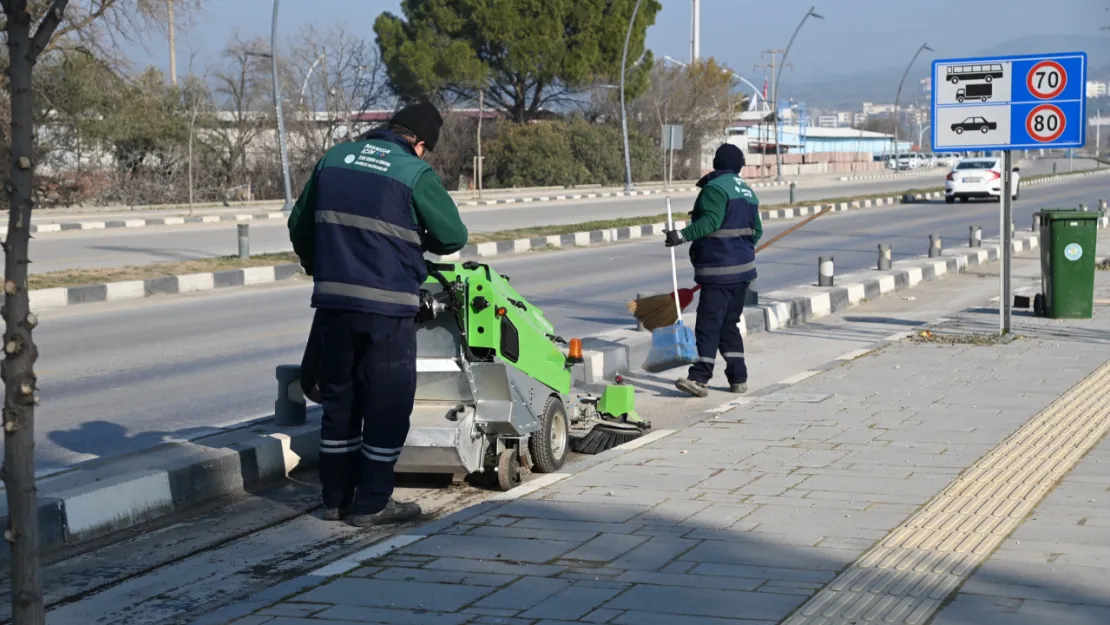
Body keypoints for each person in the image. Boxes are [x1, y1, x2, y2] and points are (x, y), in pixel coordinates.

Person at [288, 101, 468, 526]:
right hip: (387, 310)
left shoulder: (334, 158)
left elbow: (300, 226)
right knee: (386, 405)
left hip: (333, 307)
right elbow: (452, 236)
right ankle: (371, 504)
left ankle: (334, 499)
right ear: (419, 143)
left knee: (340, 402)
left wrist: (321, 265)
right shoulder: (413, 172)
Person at [663, 144, 762, 398]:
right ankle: (738, 378)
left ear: (716, 163)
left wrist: (680, 235)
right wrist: (741, 251)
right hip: (743, 272)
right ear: (739, 166)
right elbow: (757, 231)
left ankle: (700, 378)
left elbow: (710, 222)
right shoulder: (748, 192)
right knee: (729, 324)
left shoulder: (715, 188)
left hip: (719, 270)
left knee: (708, 325)